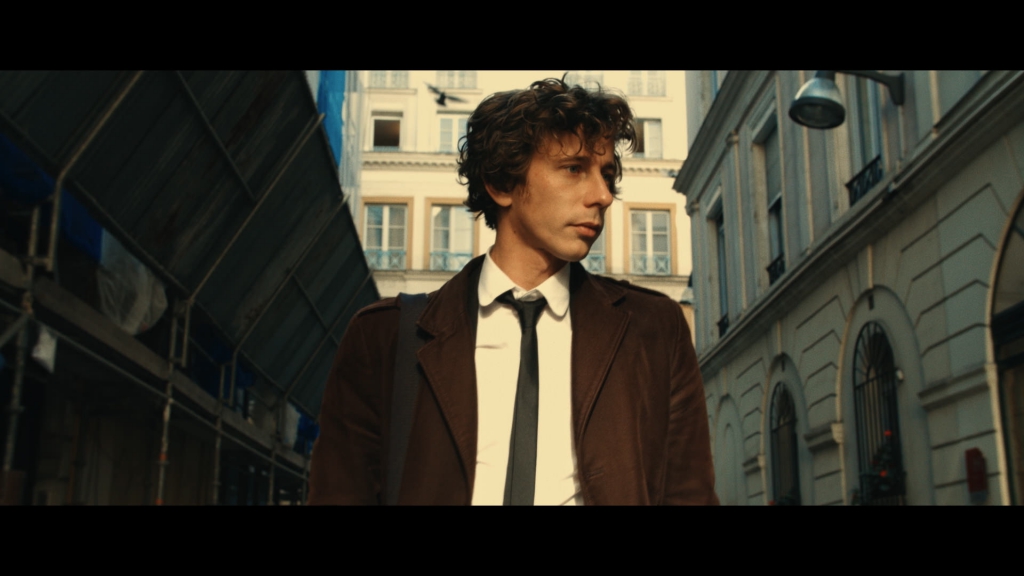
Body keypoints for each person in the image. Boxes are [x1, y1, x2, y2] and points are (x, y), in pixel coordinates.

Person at [308, 77, 717, 505]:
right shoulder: (383, 337)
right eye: (574, 169)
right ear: (501, 184)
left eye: (607, 175)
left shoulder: (654, 330)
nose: (602, 195)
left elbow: (689, 495)